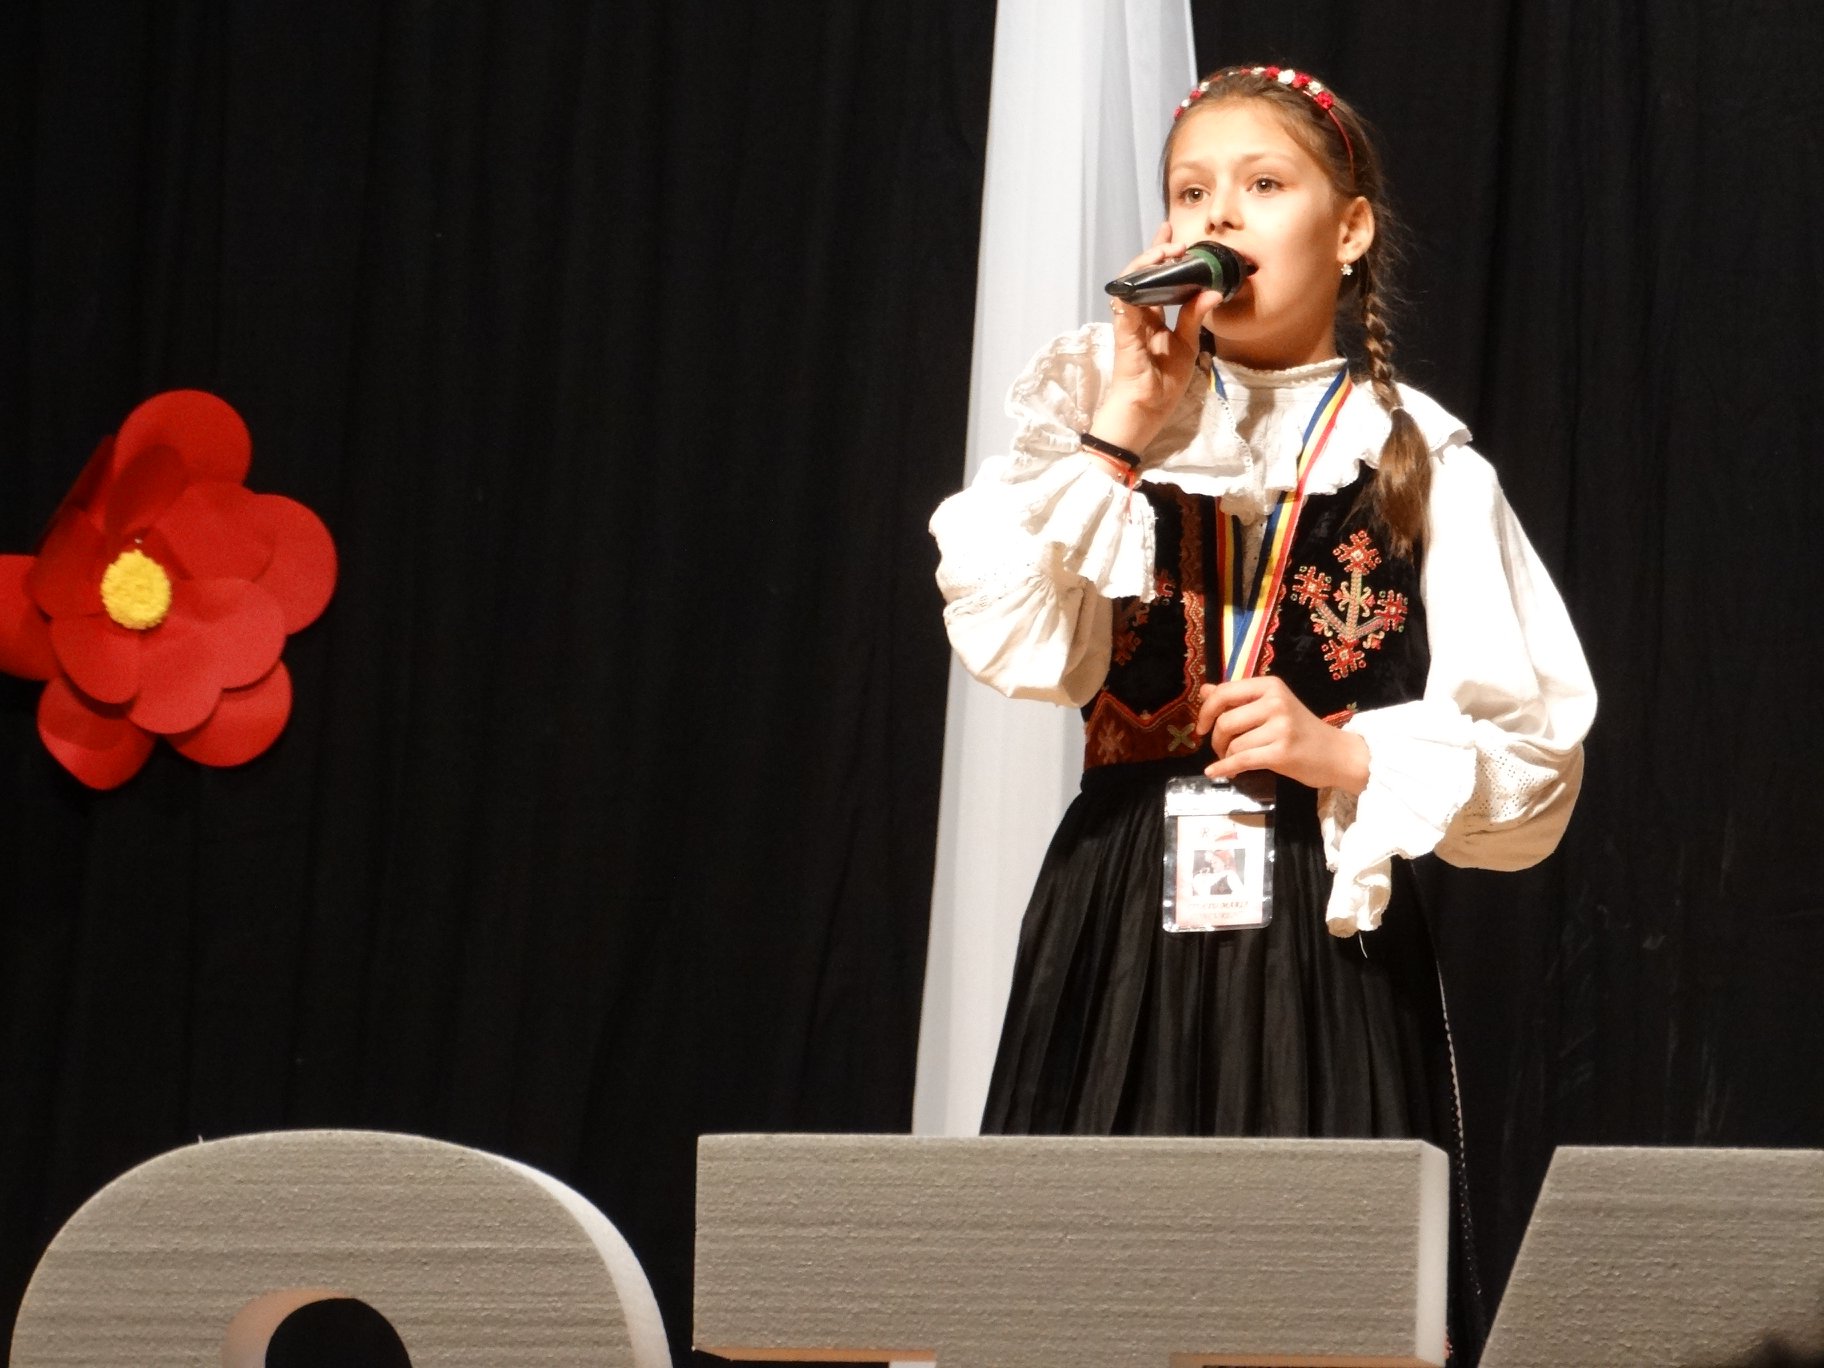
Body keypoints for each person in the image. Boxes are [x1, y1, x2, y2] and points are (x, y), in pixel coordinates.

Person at [929, 64, 1596, 1361]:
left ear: (1349, 230)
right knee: (1082, 1291)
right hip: (1119, 912)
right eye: (1190, 192)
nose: (1218, 216)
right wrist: (1122, 425)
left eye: (1263, 183)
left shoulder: (1419, 460)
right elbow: (1011, 637)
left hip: (1314, 925)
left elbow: (1535, 760)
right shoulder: (1102, 434)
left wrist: (1344, 752)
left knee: (1310, 1303)